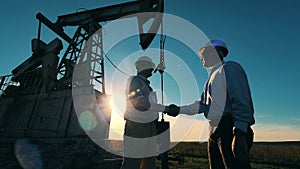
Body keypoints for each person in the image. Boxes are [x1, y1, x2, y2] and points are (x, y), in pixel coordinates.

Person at [164, 39, 255, 169]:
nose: (201, 58)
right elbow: (202, 105)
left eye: (204, 53)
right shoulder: (209, 80)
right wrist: (178, 110)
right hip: (214, 130)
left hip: (228, 128)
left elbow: (241, 99)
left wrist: (240, 132)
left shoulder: (229, 68)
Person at [120, 56, 172, 169]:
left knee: (149, 163)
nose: (151, 70)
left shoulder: (145, 85)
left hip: (149, 127)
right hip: (137, 127)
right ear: (143, 67)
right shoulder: (135, 81)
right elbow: (141, 103)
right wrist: (167, 109)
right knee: (132, 163)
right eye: (150, 67)